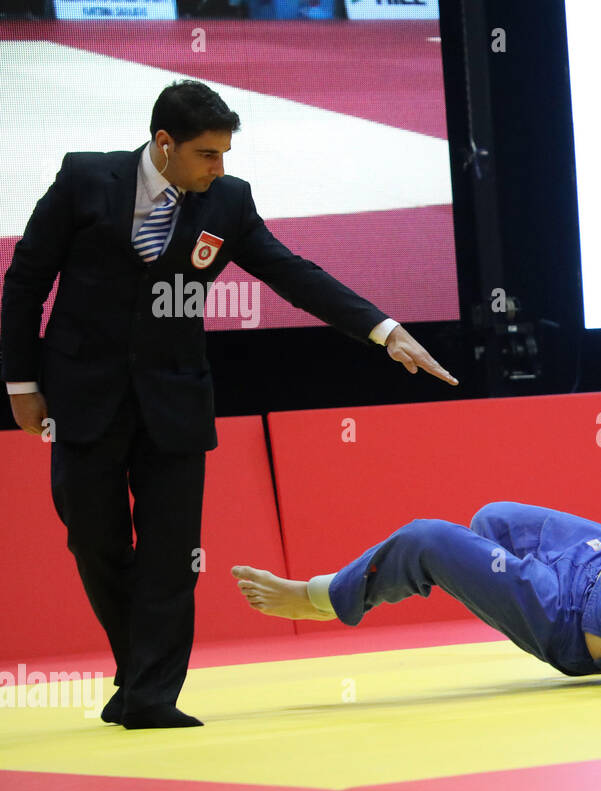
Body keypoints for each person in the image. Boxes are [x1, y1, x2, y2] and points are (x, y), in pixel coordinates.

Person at [1, 81, 457, 729]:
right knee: (93, 541)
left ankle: (153, 697)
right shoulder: (84, 179)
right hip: (81, 397)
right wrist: (21, 386)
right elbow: (25, 282)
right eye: (208, 154)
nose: (221, 167)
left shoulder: (229, 200)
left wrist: (384, 330)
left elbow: (292, 273)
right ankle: (136, 673)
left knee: (170, 553)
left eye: (225, 154)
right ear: (164, 145)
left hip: (176, 401)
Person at [231, 500, 601, 689]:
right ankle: (484, 573)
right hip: (589, 561)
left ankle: (321, 597)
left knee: (430, 541)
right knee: (492, 521)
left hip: (568, 615)